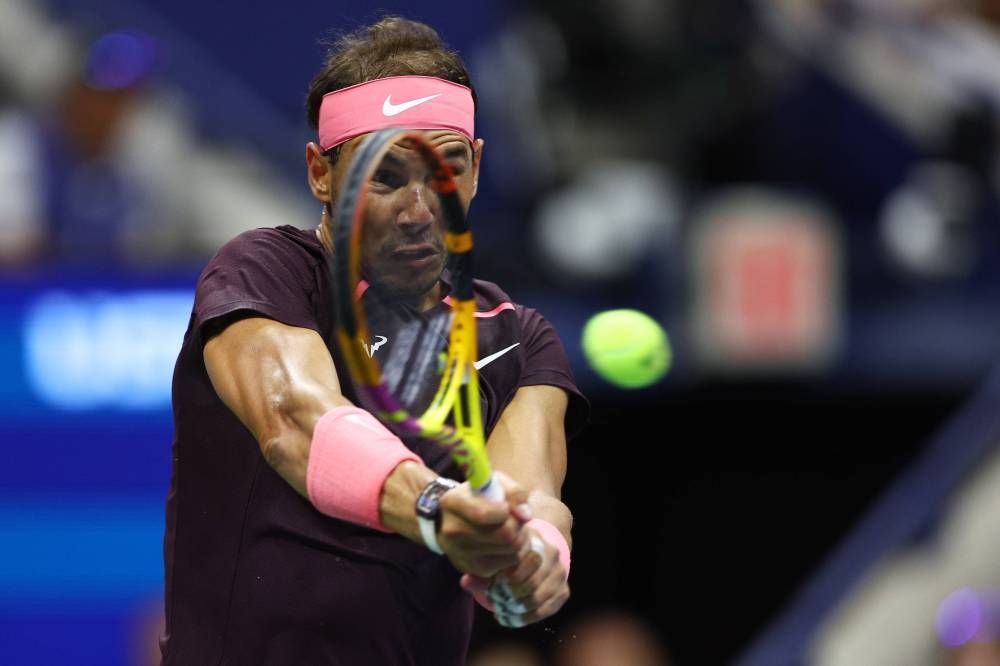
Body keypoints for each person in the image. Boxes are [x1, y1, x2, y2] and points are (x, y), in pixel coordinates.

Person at [159, 15, 589, 665]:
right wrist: (434, 507)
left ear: (475, 168)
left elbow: (530, 499)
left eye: (446, 169)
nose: (420, 209)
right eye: (385, 177)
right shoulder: (264, 272)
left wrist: (527, 563)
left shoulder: (517, 340)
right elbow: (294, 420)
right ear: (320, 174)